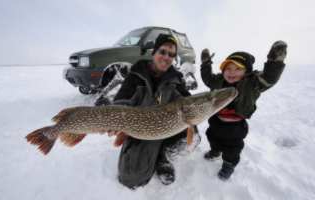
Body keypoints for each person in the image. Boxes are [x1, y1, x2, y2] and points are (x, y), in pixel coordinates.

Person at [99, 34, 200, 188]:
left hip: (165, 126)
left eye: (171, 54)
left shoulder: (176, 79)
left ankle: (163, 157)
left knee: (191, 139)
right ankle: (144, 151)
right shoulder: (136, 75)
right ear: (154, 52)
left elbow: (187, 103)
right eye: (163, 51)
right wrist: (116, 122)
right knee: (131, 178)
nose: (167, 57)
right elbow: (122, 100)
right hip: (139, 128)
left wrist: (193, 125)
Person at [200, 41, 287, 180]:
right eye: (228, 68)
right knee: (212, 136)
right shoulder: (218, 81)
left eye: (237, 69)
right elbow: (207, 78)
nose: (232, 72)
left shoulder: (252, 83)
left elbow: (269, 78)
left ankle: (229, 164)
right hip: (216, 120)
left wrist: (275, 61)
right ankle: (215, 151)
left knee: (232, 148)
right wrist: (206, 63)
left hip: (236, 125)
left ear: (246, 72)